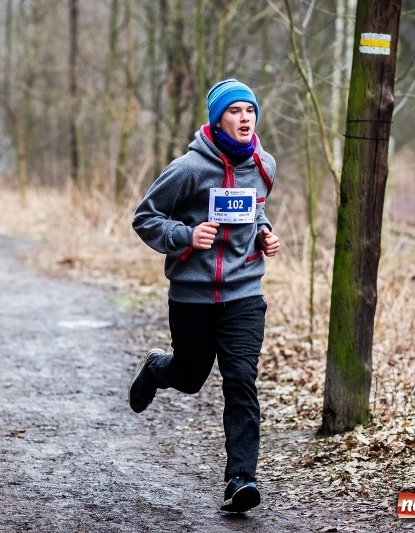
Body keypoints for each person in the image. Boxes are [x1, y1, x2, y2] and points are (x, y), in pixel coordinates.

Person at [129, 79, 280, 514]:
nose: (245, 118)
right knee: (190, 376)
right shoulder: (189, 169)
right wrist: (185, 235)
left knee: (240, 379)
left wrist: (264, 233)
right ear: (217, 119)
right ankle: (157, 368)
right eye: (234, 111)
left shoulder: (265, 164)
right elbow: (145, 218)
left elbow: (256, 208)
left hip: (244, 292)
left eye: (249, 110)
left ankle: (240, 480)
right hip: (192, 295)